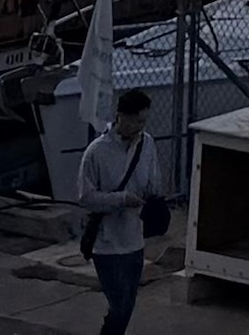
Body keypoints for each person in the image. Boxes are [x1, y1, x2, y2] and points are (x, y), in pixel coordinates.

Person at [69, 87, 161, 335]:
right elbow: (86, 197)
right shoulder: (96, 152)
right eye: (136, 120)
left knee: (127, 304)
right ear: (121, 116)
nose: (140, 126)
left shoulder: (147, 144)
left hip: (134, 239)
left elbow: (154, 183)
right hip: (107, 243)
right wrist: (121, 199)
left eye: (143, 120)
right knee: (119, 304)